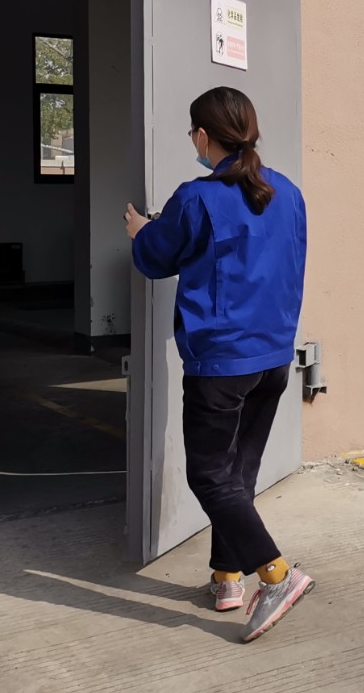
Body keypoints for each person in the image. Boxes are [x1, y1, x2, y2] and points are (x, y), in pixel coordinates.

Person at [124, 86, 312, 643]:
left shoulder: (196, 197)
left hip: (221, 362)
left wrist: (141, 232)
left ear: (204, 136)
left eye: (192, 134)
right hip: (273, 355)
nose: (193, 143)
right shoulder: (289, 192)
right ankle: (227, 578)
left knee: (208, 474)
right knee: (239, 473)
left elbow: (156, 258)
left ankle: (275, 575)